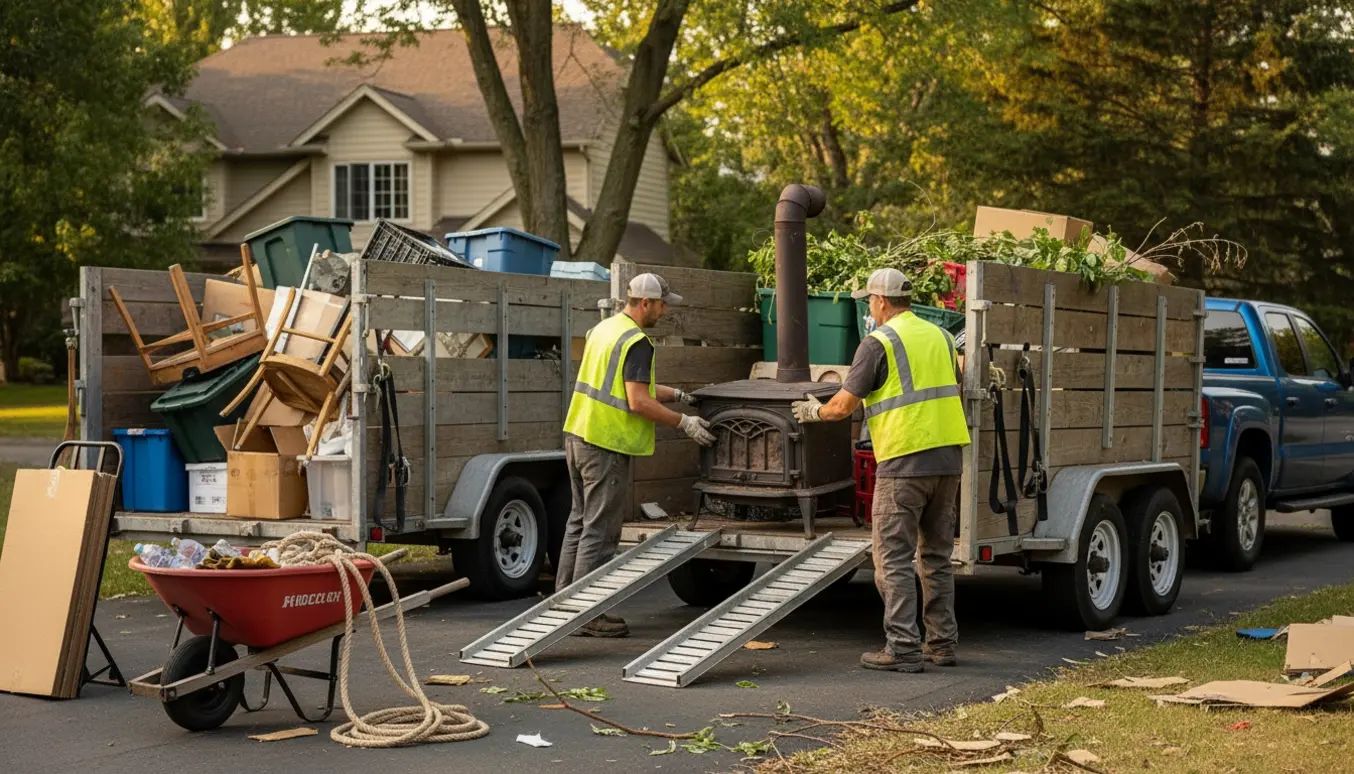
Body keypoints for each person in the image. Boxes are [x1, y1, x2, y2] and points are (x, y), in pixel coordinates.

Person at [791, 268, 970, 672]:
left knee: (892, 559)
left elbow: (843, 406)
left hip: (905, 462)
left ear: (881, 301)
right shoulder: (941, 337)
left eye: (868, 300)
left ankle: (903, 648)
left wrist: (812, 411)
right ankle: (942, 645)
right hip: (947, 461)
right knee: (937, 557)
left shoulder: (877, 342)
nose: (868, 306)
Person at [558, 273, 716, 637]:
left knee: (578, 523)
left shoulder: (605, 329)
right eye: (661, 304)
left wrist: (677, 394)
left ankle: (563, 605)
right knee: (601, 531)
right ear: (645, 303)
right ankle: (588, 613)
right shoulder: (638, 342)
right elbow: (637, 401)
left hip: (578, 434)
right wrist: (684, 423)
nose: (663, 311)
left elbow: (629, 385)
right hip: (606, 445)